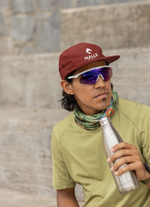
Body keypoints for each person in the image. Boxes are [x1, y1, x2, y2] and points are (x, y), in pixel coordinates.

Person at [51, 43, 150, 207]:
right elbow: (65, 192)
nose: (100, 83)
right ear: (68, 87)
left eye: (104, 73)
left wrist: (146, 175)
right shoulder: (61, 133)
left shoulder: (142, 116)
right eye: (88, 76)